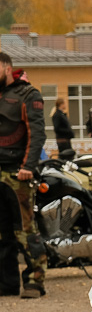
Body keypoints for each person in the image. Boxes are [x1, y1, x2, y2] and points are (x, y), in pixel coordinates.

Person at [0, 52, 47, 297]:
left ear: (7, 67)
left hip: (18, 174)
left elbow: (37, 133)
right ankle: (5, 284)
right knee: (1, 233)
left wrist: (28, 166)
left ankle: (34, 281)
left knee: (25, 231)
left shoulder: (28, 95)